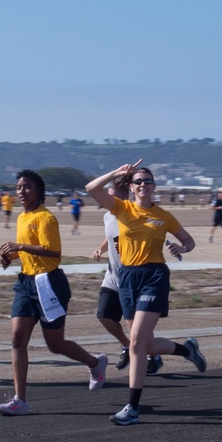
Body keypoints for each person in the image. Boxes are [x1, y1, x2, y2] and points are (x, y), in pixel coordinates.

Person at [85, 161, 202, 425]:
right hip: (128, 278)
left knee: (136, 341)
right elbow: (91, 188)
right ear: (132, 187)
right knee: (144, 345)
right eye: (137, 181)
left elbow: (189, 241)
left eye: (147, 181)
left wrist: (181, 249)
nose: (142, 185)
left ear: (154, 186)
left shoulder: (164, 216)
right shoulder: (121, 208)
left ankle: (132, 407)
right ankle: (187, 350)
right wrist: (116, 172)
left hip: (154, 276)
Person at [0, 170, 108, 415]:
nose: (21, 191)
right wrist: (10, 256)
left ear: (38, 191)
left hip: (49, 285)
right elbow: (28, 251)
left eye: (27, 187)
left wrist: (20, 246)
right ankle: (20, 400)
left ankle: (95, 363)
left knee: (55, 344)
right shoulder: (23, 217)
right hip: (26, 283)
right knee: (17, 339)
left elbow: (53, 252)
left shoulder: (46, 218)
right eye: (18, 187)